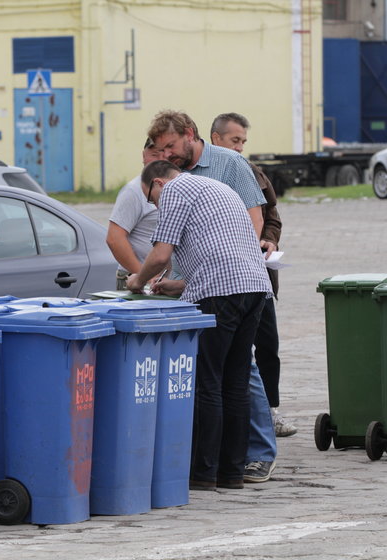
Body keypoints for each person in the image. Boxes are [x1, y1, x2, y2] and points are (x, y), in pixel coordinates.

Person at [148, 110, 277, 484]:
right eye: (161, 149)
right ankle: (232, 473)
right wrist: (178, 284)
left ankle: (204, 473)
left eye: (170, 146)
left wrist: (138, 283)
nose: (168, 153)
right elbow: (213, 249)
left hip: (223, 290)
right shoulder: (210, 188)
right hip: (252, 285)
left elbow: (160, 254)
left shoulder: (178, 186)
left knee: (209, 383)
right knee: (235, 382)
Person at [210, 112, 297, 438]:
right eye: (235, 141)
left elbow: (272, 216)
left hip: (258, 278)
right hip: (220, 281)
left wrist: (269, 240)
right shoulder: (203, 176)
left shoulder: (253, 173)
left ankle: (270, 410)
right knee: (232, 354)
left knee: (268, 345)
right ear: (216, 139)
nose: (240, 148)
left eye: (244, 141)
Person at [106, 139, 164, 289]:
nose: (160, 159)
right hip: (138, 280)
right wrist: (145, 276)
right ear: (143, 156)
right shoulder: (134, 191)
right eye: (154, 154)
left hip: (162, 281)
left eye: (164, 153)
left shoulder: (173, 188)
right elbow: (114, 239)